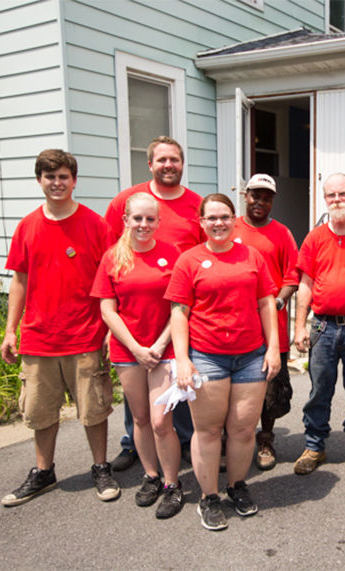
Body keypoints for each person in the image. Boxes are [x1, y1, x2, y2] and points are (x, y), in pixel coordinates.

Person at [0, 149, 120, 506]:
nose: (56, 183)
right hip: (38, 338)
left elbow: (113, 278)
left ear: (74, 180)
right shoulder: (27, 226)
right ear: (40, 181)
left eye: (63, 177)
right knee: (40, 412)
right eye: (49, 177)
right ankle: (43, 471)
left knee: (94, 409)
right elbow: (19, 281)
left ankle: (100, 466)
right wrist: (11, 330)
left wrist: (112, 327)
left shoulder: (96, 225)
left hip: (86, 334)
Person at [166, 193, 281, 531]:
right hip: (207, 356)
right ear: (201, 223)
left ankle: (237, 486)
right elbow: (179, 313)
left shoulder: (252, 256)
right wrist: (183, 360)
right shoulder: (189, 260)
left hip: (250, 357)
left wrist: (273, 348)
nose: (218, 223)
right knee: (209, 430)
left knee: (244, 429)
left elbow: (266, 304)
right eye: (211, 218)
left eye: (225, 217)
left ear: (234, 220)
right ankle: (209, 496)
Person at [104, 136, 203, 471]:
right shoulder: (126, 200)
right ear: (150, 164)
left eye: (174, 159)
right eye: (161, 160)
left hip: (176, 312)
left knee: (178, 390)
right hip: (131, 312)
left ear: (182, 164)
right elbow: (111, 256)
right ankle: (134, 445)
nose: (168, 165)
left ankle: (185, 444)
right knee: (139, 405)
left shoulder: (195, 204)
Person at [91, 193, 184, 519]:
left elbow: (180, 306)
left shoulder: (172, 254)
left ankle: (173, 485)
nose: (143, 225)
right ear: (126, 220)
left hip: (165, 348)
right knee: (141, 419)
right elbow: (107, 309)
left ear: (159, 222)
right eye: (137, 219)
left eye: (150, 219)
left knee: (161, 421)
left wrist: (158, 346)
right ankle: (151, 475)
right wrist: (135, 347)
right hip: (128, 351)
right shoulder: (112, 258)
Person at [292, 173, 345, 477]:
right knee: (319, 390)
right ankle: (314, 445)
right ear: (324, 200)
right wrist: (299, 326)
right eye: (331, 195)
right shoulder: (315, 238)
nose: (337, 200)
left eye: (343, 194)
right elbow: (306, 283)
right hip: (323, 327)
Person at [232, 174, 299, 471]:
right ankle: (231, 440)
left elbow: (292, 277)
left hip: (273, 328)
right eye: (255, 196)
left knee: (270, 390)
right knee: (232, 387)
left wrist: (279, 302)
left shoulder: (282, 233)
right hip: (234, 326)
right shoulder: (229, 227)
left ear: (273, 200)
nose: (260, 202)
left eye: (267, 197)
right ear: (245, 196)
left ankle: (266, 439)